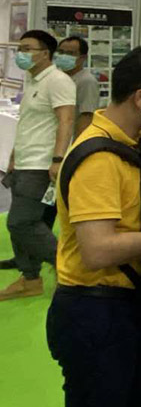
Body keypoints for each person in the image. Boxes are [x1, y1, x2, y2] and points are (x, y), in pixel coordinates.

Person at [47, 45, 141, 406]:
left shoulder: (128, 146)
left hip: (125, 305)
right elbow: (98, 250)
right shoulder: (99, 159)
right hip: (94, 311)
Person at [0, 30, 76, 300]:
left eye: (27, 48)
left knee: (22, 222)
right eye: (20, 48)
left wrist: (57, 159)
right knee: (19, 222)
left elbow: (66, 121)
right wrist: (13, 157)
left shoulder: (58, 81)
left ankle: (68, 268)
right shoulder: (33, 80)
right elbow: (29, 124)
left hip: (41, 164)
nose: (21, 53)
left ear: (45, 53)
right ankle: (30, 278)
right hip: (24, 161)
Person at [56, 36, 100, 139]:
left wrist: (77, 145)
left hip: (70, 139)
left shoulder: (86, 81)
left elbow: (86, 117)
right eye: (61, 52)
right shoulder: (58, 77)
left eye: (70, 53)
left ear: (82, 58)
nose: (64, 56)